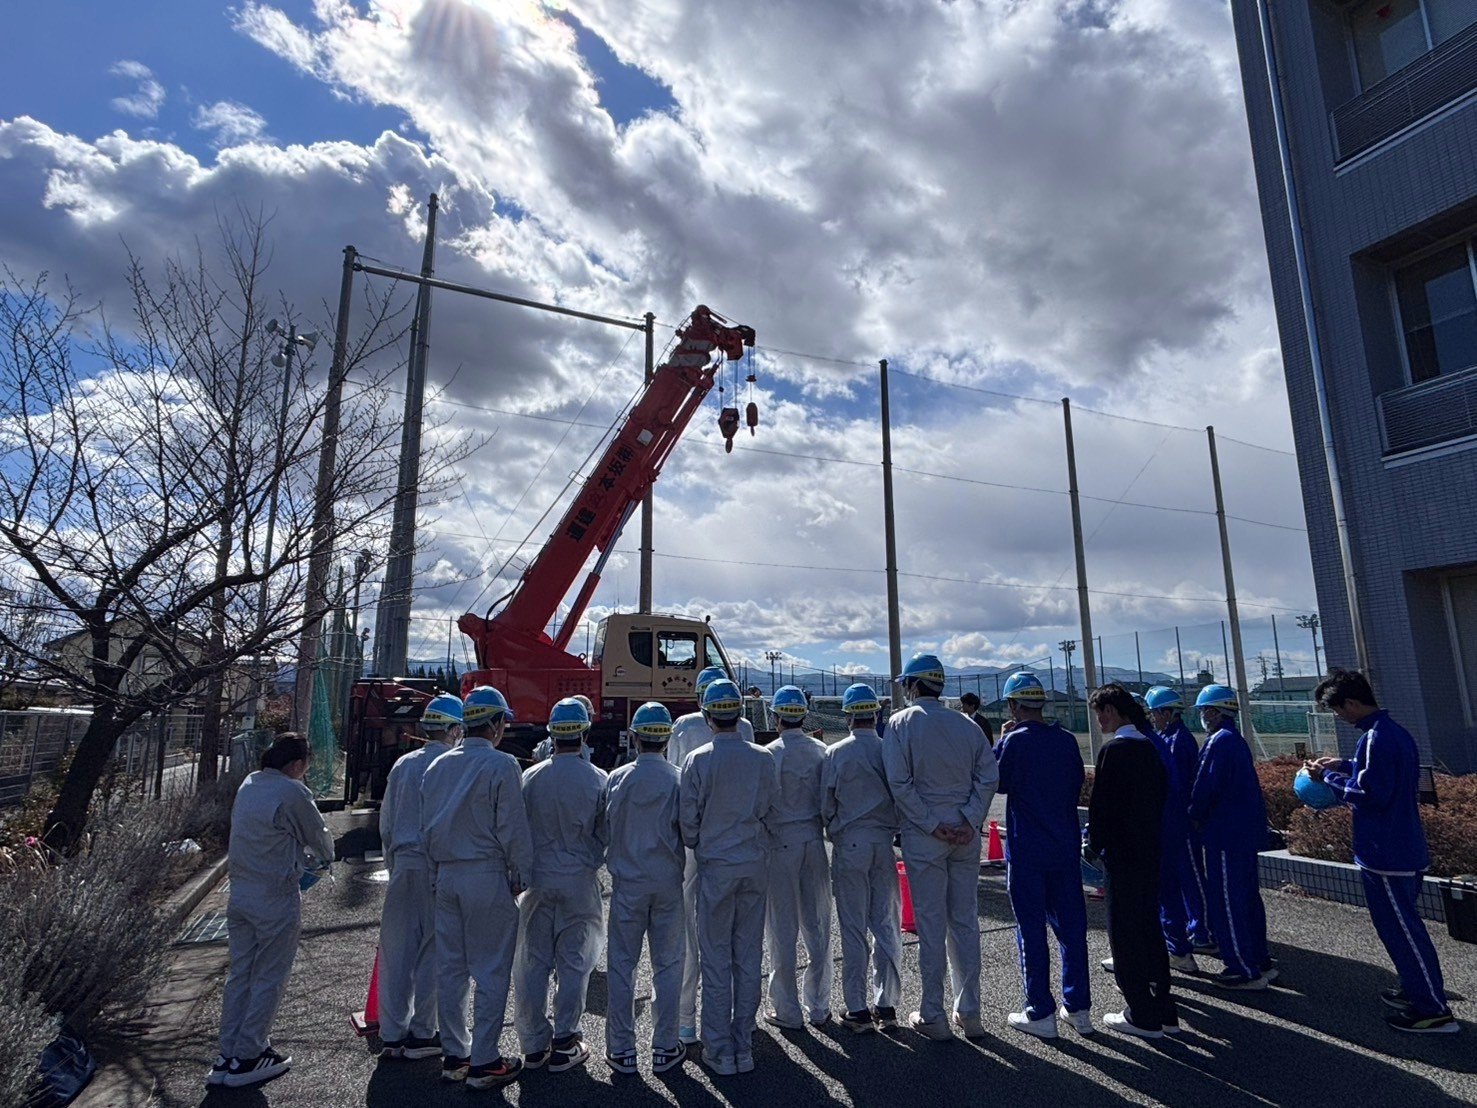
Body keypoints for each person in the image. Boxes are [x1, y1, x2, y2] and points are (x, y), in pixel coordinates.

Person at [1306, 670, 1457, 1034]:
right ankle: (1414, 988)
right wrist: (1343, 766)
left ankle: (1432, 1009)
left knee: (1402, 931)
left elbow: (1368, 794)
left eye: (1338, 710)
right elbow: (1377, 775)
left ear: (1352, 703)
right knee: (1402, 927)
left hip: (1386, 852)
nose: (1339, 717)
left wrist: (1326, 778)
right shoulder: (1392, 733)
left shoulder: (1375, 737)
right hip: (1404, 846)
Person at [208, 734, 335, 1088]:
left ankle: (227, 1054)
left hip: (240, 892)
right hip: (275, 895)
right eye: (307, 763)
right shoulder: (292, 791)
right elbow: (320, 839)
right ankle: (250, 1054)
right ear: (296, 764)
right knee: (269, 975)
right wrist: (321, 860)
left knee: (241, 974)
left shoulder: (250, 783)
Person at [420, 687, 532, 1090]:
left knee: (451, 968)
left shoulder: (438, 766)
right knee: (490, 969)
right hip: (486, 873)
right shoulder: (502, 764)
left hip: (446, 874)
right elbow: (512, 827)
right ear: (496, 724)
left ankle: (456, 1054)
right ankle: (485, 1060)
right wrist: (521, 875)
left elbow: (425, 826)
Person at [883, 653, 998, 1041]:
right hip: (965, 835)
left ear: (914, 685)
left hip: (925, 835)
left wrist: (932, 823)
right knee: (964, 921)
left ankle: (933, 1012)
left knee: (931, 924)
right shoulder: (967, 725)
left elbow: (899, 783)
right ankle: (970, 1011)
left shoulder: (900, 723)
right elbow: (988, 776)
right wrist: (969, 818)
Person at [679, 678, 779, 1076]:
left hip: (716, 867)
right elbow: (770, 808)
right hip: (754, 864)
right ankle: (743, 1045)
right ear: (739, 713)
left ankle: (719, 1049)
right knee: (749, 956)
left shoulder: (698, 760)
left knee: (716, 959)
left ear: (707, 715)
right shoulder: (762, 758)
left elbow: (688, 823)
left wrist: (704, 840)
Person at [993, 673, 1092, 1039]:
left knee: (1031, 929)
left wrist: (1001, 740)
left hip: (1028, 848)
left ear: (1013, 706)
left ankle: (1040, 1011)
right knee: (1072, 929)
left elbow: (996, 780)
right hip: (1064, 846)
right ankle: (1078, 1008)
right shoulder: (1066, 740)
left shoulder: (1015, 741)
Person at [514, 698, 609, 1073]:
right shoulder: (598, 779)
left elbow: (517, 831)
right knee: (575, 962)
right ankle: (566, 1039)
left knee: (532, 962)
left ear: (551, 735)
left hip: (537, 882)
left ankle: (533, 1044)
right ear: (585, 734)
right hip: (579, 882)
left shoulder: (531, 778)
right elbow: (605, 833)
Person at [668, 665, 755, 1046]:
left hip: (699, 843)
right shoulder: (747, 730)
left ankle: (686, 1021)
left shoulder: (685, 727)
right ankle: (743, 1021)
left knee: (692, 933)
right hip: (743, 843)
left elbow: (676, 781)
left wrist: (690, 837)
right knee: (743, 940)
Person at [1085, 684, 1176, 1039]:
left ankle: (1141, 1013)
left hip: (1122, 855)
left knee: (1124, 931)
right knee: (1149, 926)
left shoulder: (1115, 750)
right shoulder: (1149, 747)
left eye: (1099, 714)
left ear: (1110, 710)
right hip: (1150, 850)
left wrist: (1094, 844)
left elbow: (1102, 807)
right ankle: (1164, 1008)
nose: (1099, 722)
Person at [375, 693, 462, 1062]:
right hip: (436, 867)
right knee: (434, 950)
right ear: (454, 730)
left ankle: (391, 1033)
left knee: (396, 952)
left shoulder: (403, 765)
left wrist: (393, 864)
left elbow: (386, 823)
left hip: (402, 866)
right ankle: (423, 1032)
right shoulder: (452, 765)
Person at [602, 702, 688, 1074]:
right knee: (668, 965)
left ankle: (622, 1048)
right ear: (666, 739)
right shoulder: (678, 778)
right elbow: (689, 830)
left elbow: (605, 828)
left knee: (622, 965)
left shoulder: (617, 778)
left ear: (635, 738)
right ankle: (665, 1045)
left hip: (628, 884)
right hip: (667, 881)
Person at [823, 683, 902, 1033]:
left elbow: (826, 803)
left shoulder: (836, 752)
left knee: (853, 928)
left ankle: (857, 1007)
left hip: (850, 843)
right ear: (876, 713)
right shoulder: (888, 751)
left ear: (848, 716)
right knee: (885, 925)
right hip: (883, 843)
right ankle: (886, 1004)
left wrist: (835, 827)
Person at [1188, 684, 1273, 990]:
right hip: (1245, 833)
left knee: (1228, 900)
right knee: (1247, 897)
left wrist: (1191, 816)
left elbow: (1203, 787)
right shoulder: (1236, 740)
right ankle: (1259, 958)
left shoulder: (1218, 742)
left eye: (1204, 711)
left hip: (1224, 833)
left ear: (1214, 712)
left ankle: (1242, 967)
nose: (1202, 716)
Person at [762, 686, 834, 1031]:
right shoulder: (821, 750)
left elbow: (761, 804)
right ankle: (819, 1005)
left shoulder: (769, 754)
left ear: (776, 717)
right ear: (803, 715)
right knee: (817, 925)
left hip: (780, 843)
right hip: (814, 840)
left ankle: (786, 1008)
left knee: (782, 929)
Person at [1144, 686, 1214, 966]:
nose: (1153, 718)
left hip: (1182, 819)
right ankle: (1192, 925)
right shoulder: (1167, 738)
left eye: (1155, 713)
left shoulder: (1180, 740)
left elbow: (1182, 783)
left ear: (1167, 713)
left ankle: (1204, 930)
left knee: (1192, 875)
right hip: (1173, 819)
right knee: (1179, 878)